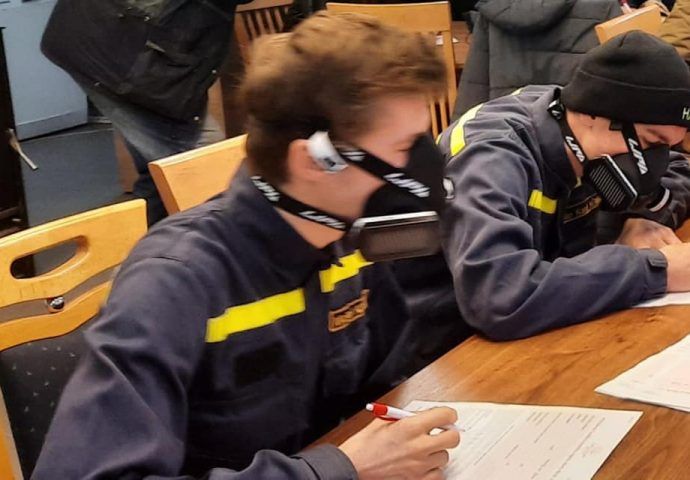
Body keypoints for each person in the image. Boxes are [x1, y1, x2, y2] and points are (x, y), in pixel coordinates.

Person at [32, 12, 461, 479]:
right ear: (317, 161)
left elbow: (386, 388)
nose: (421, 172)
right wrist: (334, 471)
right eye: (403, 149)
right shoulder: (176, 283)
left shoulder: (349, 241)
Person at [435, 31, 690, 341]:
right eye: (651, 143)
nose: (657, 162)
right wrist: (658, 269)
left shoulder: (579, 128)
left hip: (548, 323)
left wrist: (642, 218)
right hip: (450, 344)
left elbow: (680, 169)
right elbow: (499, 294)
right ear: (596, 115)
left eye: (667, 146)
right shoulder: (491, 158)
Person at [40, 0, 248, 225]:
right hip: (120, 46)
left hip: (118, 36)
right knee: (199, 163)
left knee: (166, 170)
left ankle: (139, 241)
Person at [454, 0, 621, 118]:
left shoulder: (496, 6)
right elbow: (620, 85)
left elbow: (476, 84)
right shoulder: (604, 5)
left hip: (508, 136)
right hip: (580, 139)